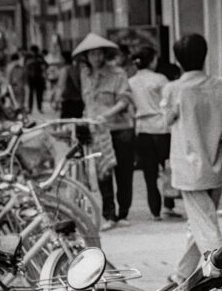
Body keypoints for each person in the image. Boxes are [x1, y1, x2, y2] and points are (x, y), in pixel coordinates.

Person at [161, 33, 222, 283]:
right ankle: (182, 273)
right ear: (205, 56)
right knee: (201, 221)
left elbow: (166, 121)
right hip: (214, 164)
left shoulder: (174, 89)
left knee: (204, 223)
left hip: (187, 167)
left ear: (178, 60)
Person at [74, 33, 136, 230]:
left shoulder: (117, 74)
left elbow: (125, 100)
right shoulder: (85, 75)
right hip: (98, 132)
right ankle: (109, 214)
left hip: (120, 129)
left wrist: (107, 115)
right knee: (103, 173)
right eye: (92, 54)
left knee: (124, 173)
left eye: (99, 53)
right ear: (86, 57)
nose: (96, 58)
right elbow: (88, 102)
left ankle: (123, 212)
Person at [129, 46, 180, 221]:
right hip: (161, 128)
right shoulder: (160, 79)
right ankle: (169, 204)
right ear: (152, 60)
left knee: (149, 174)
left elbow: (130, 107)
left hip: (142, 129)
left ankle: (155, 212)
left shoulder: (131, 81)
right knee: (167, 168)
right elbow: (170, 103)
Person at [24, 45, 47, 113]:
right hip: (32, 77)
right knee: (31, 94)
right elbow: (25, 66)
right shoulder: (28, 57)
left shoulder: (39, 57)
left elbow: (46, 65)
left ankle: (38, 108)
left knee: (38, 94)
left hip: (38, 77)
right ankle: (30, 109)